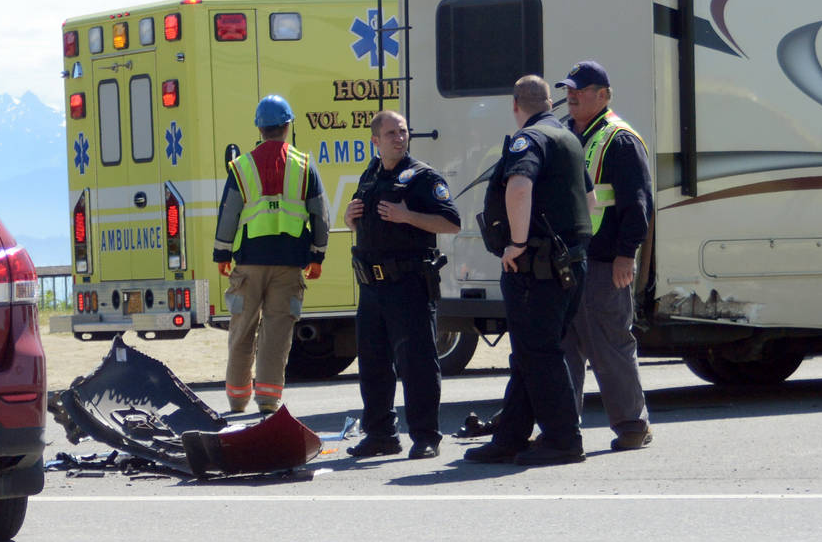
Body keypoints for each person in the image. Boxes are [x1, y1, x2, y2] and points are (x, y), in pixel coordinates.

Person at [465, 75, 593, 466]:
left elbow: (519, 186)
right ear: (550, 102)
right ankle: (510, 437)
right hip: (568, 265)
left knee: (540, 353)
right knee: (530, 354)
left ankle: (563, 440)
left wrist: (517, 243)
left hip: (536, 268)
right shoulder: (569, 138)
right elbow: (590, 200)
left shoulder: (529, 139)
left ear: (515, 105)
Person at [343, 110, 461, 460]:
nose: (399, 137)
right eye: (391, 133)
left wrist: (408, 215)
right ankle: (380, 434)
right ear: (375, 140)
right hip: (372, 287)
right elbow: (367, 224)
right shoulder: (371, 174)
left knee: (418, 364)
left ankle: (426, 436)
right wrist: (350, 219)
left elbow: (451, 222)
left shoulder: (423, 177)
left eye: (403, 131)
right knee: (373, 363)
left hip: (408, 284)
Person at [211, 94, 328, 415]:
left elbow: (229, 214)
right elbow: (320, 215)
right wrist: (317, 256)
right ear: (288, 126)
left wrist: (222, 253)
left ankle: (237, 400)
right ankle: (267, 400)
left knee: (242, 330)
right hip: (290, 266)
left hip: (248, 263)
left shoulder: (242, 166)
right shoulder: (304, 166)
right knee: (277, 334)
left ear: (259, 128)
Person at [558, 60, 654, 451]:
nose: (572, 96)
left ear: (603, 94)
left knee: (610, 346)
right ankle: (561, 425)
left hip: (603, 263)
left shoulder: (620, 139)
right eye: (568, 90)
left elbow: (638, 203)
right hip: (565, 261)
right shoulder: (564, 133)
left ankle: (632, 425)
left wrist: (625, 256)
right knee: (563, 347)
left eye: (580, 90)